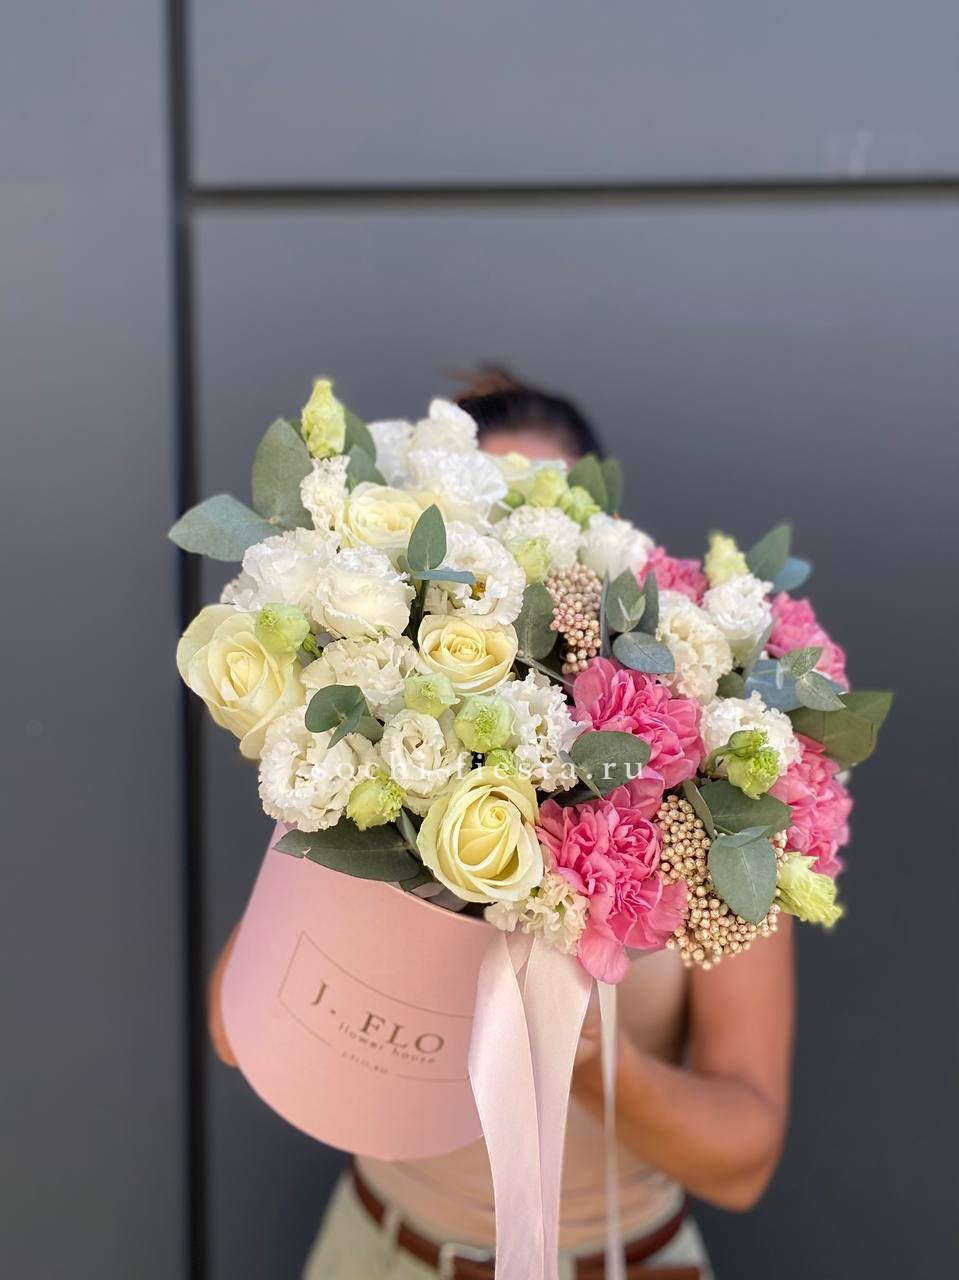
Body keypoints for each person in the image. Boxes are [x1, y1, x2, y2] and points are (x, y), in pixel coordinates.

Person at [209, 369, 795, 1279]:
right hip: (376, 1251)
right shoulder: (378, 757)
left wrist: (586, 1057)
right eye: (489, 518)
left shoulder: (708, 793)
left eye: (543, 521)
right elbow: (235, 1031)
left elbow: (743, 1162)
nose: (513, 568)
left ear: (605, 555)